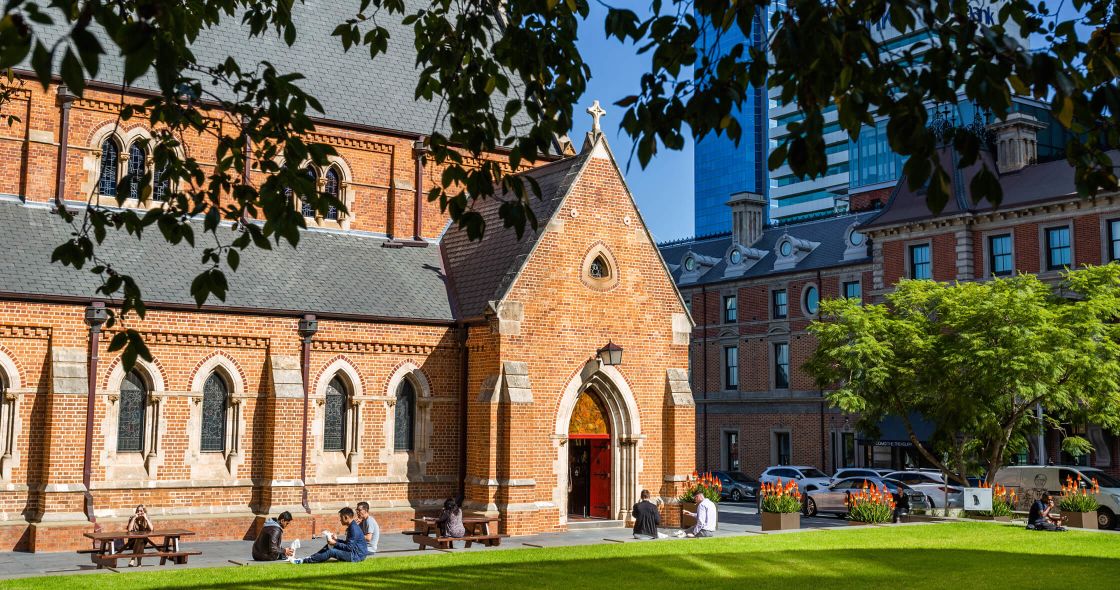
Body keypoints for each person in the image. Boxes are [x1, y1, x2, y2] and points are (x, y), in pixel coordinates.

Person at [291, 507, 368, 564]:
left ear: (346, 517)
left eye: (341, 518)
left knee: (331, 551)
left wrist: (334, 543)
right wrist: (336, 540)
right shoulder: (352, 526)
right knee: (329, 546)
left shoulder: (353, 528)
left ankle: (304, 561)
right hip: (356, 553)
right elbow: (348, 544)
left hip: (356, 556)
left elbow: (349, 547)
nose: (340, 520)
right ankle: (310, 558)